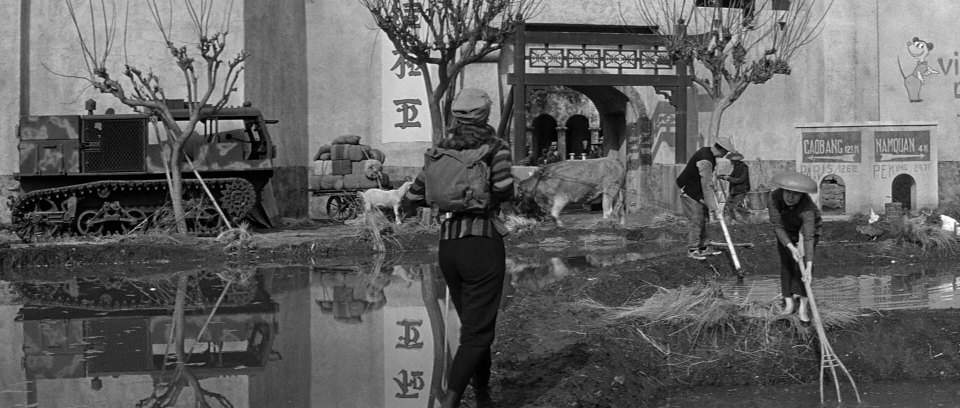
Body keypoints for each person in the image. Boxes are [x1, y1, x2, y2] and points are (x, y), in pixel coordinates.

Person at [401, 88, 513, 408]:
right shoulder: (496, 147)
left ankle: (483, 393)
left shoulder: (439, 151)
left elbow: (414, 196)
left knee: (474, 327)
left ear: (456, 116)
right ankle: (451, 399)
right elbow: (504, 190)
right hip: (483, 245)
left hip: (449, 247)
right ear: (485, 115)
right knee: (478, 333)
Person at [768, 171, 822, 323]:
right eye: (788, 192)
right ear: (782, 190)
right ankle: (789, 303)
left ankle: (803, 307)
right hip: (785, 230)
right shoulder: (773, 198)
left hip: (807, 232)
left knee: (802, 267)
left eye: (796, 194)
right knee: (786, 263)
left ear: (802, 195)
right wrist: (791, 247)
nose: (790, 197)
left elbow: (809, 237)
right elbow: (777, 226)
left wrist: (809, 267)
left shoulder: (807, 208)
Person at [675, 137, 736, 260]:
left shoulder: (709, 153)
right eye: (725, 152)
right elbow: (706, 185)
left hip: (698, 191)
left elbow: (707, 181)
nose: (725, 155)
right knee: (696, 219)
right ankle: (693, 250)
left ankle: (704, 247)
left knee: (704, 218)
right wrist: (714, 207)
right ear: (721, 149)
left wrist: (711, 201)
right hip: (690, 191)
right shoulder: (705, 159)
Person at [718, 152, 751, 223]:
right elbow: (732, 176)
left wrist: (728, 178)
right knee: (728, 207)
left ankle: (744, 221)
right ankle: (728, 222)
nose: (730, 162)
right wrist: (722, 176)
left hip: (741, 190)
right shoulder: (736, 167)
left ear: (736, 161)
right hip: (733, 190)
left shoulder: (744, 167)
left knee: (736, 207)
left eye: (731, 160)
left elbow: (740, 180)